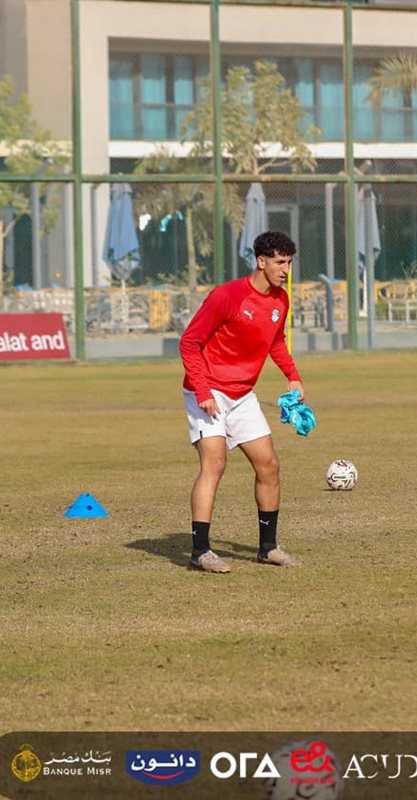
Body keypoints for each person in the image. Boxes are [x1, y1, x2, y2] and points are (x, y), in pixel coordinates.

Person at [179, 230, 304, 573]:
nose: (285, 270)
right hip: (207, 390)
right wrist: (203, 392)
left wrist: (293, 376)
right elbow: (189, 343)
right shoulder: (227, 296)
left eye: (289, 262)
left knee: (269, 465)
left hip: (241, 393)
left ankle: (268, 548)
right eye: (280, 262)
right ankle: (200, 552)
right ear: (261, 261)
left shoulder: (280, 299)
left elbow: (275, 342)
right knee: (215, 464)